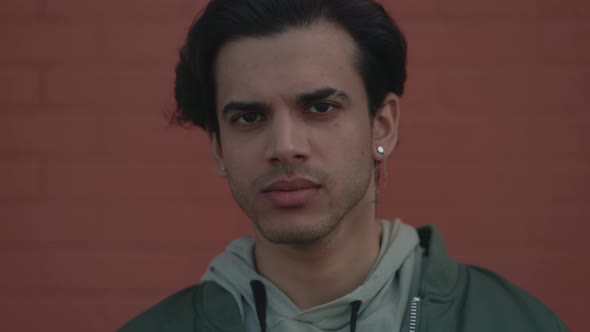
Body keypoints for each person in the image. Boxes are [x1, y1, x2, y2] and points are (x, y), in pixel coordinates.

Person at [119, 0, 569, 331]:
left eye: (320, 108)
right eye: (249, 117)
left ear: (383, 126)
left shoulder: (516, 322)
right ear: (218, 147)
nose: (285, 147)